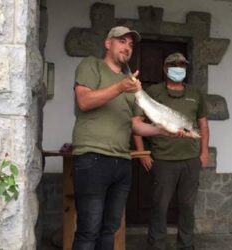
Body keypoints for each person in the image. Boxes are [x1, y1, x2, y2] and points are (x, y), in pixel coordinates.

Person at [71, 26, 184, 250]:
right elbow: (84, 101)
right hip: (93, 157)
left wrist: (163, 130)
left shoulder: (129, 84)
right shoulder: (92, 65)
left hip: (122, 161)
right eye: (122, 41)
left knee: (110, 229)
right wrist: (120, 87)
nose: (127, 47)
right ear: (108, 43)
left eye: (131, 44)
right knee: (88, 230)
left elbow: (136, 125)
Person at [133, 52, 210, 250]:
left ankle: (186, 245)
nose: (179, 68)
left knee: (187, 206)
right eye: (174, 65)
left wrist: (204, 153)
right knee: (160, 207)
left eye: (182, 65)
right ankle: (157, 245)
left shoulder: (195, 93)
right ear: (165, 69)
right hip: (163, 159)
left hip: (190, 160)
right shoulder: (153, 91)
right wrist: (142, 152)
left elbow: (203, 125)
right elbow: (136, 122)